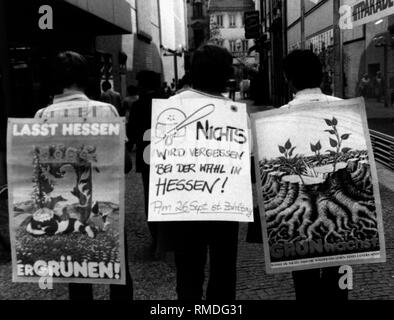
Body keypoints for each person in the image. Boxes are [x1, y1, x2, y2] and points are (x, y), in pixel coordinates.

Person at [35, 51, 133, 300]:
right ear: (86, 78)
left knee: (77, 274)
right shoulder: (107, 111)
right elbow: (125, 164)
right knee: (118, 269)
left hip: (64, 210)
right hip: (106, 207)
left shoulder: (41, 117)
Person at [159, 44, 242, 300]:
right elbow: (245, 163)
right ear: (223, 74)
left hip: (183, 206)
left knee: (188, 272)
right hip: (224, 206)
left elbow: (158, 160)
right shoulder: (235, 112)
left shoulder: (170, 106)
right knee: (223, 271)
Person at [281, 49, 349, 301]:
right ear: (321, 75)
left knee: (305, 282)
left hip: (300, 214)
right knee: (342, 278)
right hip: (342, 211)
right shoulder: (347, 109)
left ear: (289, 79)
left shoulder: (277, 117)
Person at [127, 70, 163, 256]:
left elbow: (132, 132)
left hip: (147, 158)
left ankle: (157, 239)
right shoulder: (167, 101)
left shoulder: (138, 105)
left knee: (151, 199)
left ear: (143, 84)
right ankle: (167, 238)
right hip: (168, 157)